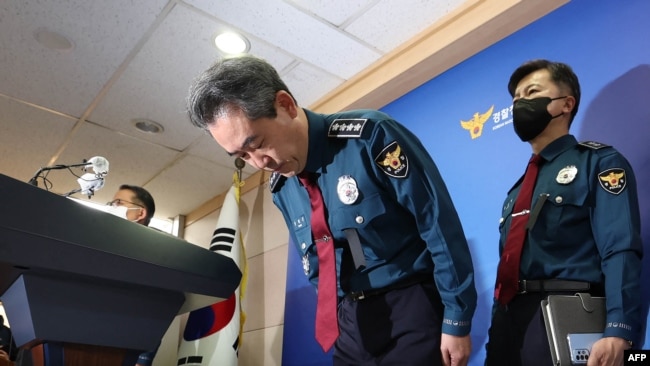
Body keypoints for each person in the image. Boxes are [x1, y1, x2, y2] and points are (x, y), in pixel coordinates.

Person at [186, 55, 477, 366]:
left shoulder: (370, 138)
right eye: (242, 155)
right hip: (351, 323)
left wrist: (456, 319)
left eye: (257, 143)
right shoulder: (282, 189)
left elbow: (439, 226)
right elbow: (316, 264)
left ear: (285, 105)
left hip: (410, 307)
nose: (259, 162)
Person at [484, 59, 643, 366]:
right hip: (508, 329)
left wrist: (619, 329)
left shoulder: (598, 162)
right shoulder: (515, 194)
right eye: (516, 99)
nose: (519, 104)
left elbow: (619, 246)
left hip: (567, 317)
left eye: (531, 93)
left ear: (565, 104)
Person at [107, 184, 158, 366]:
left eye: (118, 203)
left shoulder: (156, 254)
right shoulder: (105, 248)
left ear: (140, 213)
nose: (112, 208)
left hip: (133, 342)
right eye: (111, 203)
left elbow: (154, 308)